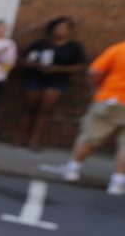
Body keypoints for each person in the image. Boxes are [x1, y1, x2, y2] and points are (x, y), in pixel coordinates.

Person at [51, 40, 125, 196]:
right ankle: (118, 182)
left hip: (112, 99)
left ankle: (73, 169)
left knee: (91, 137)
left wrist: (96, 89)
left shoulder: (119, 49)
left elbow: (94, 72)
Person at [17, 17, 85, 149]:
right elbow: (23, 60)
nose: (61, 31)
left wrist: (58, 68)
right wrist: (36, 65)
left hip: (57, 81)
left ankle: (35, 140)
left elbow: (80, 66)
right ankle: (21, 137)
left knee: (45, 110)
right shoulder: (40, 44)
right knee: (29, 107)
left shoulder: (74, 47)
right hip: (35, 78)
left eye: (64, 28)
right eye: (58, 27)